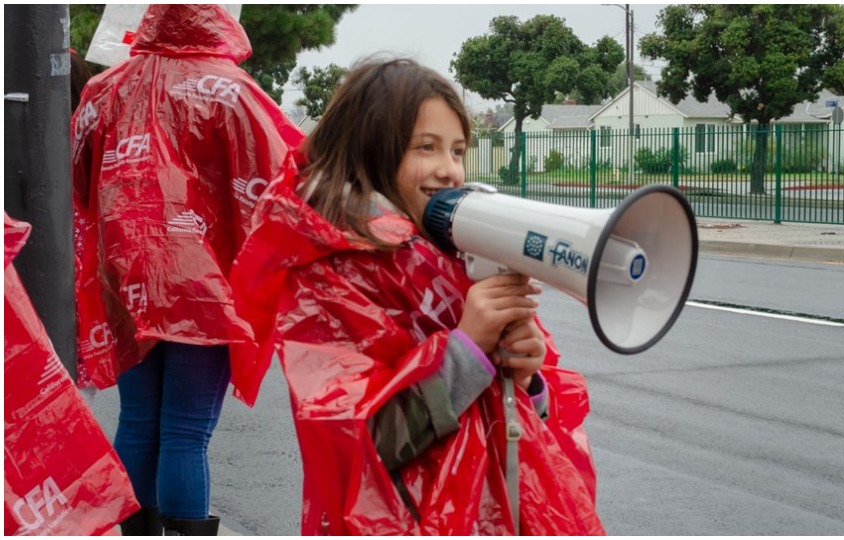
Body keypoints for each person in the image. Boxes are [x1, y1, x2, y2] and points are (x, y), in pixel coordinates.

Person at [230, 57, 604, 535]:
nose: (449, 170)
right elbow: (364, 443)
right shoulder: (331, 275)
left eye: (457, 150)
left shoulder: (455, 253)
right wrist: (467, 348)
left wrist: (527, 381)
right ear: (371, 151)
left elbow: (532, 435)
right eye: (426, 148)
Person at [71, 5, 303, 535]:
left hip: (124, 278)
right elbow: (285, 177)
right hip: (205, 286)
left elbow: (77, 179)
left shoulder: (103, 89)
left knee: (138, 420)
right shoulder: (234, 90)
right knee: (186, 431)